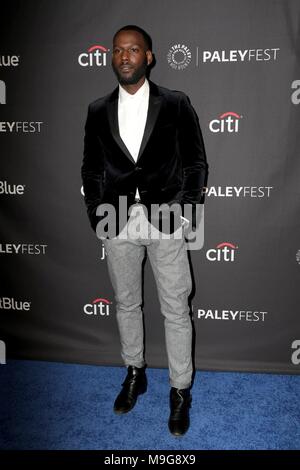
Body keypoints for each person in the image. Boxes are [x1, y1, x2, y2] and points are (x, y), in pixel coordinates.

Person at [81, 25, 208, 436]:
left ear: (148, 57)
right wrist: (96, 214)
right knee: (126, 304)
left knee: (175, 308)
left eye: (133, 49)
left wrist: (186, 214)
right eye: (118, 50)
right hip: (116, 221)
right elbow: (90, 169)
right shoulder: (97, 110)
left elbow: (195, 163)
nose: (124, 56)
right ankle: (135, 373)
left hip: (167, 220)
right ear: (111, 56)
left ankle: (180, 390)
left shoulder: (175, 103)